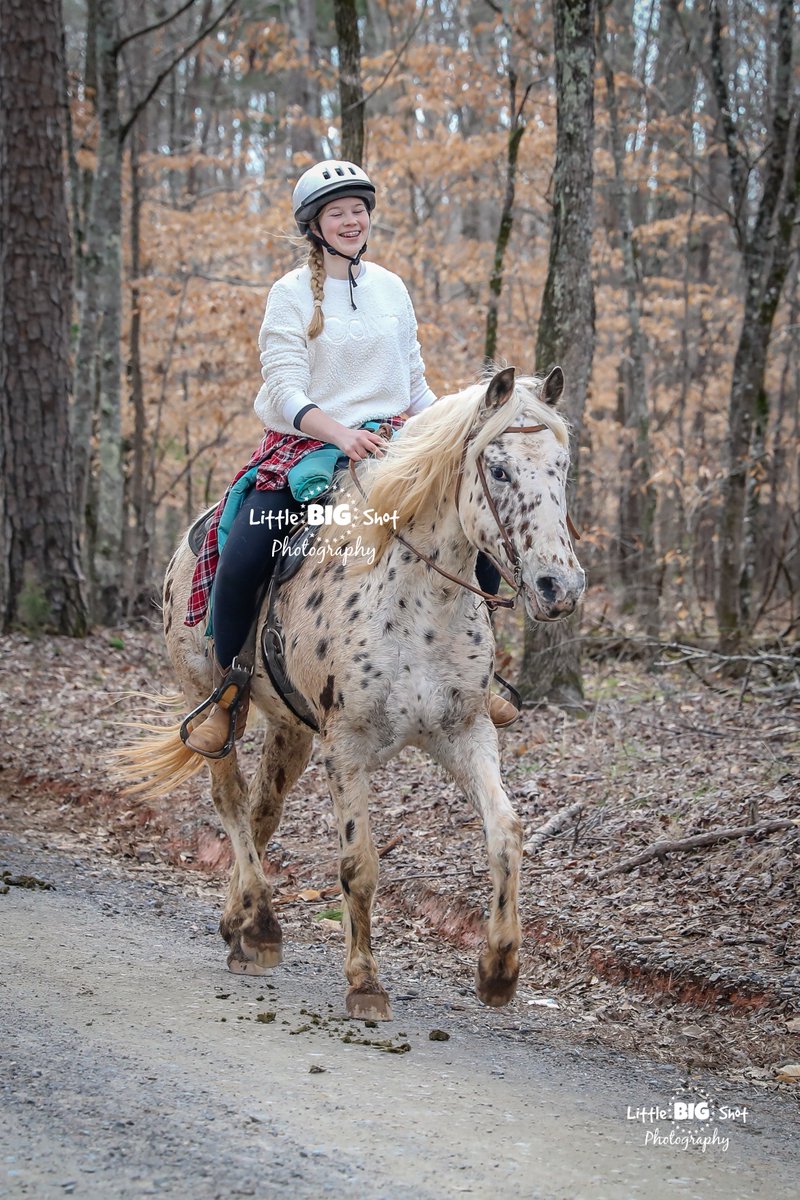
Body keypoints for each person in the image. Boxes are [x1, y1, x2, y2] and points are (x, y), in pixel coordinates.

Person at [182, 159, 516, 758]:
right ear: (314, 225)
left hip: (394, 442)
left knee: (475, 527)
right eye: (337, 212)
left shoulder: (391, 287)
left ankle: (476, 673)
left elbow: (413, 384)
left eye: (358, 209)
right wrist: (339, 434)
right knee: (246, 552)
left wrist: (456, 430)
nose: (351, 220)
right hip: (308, 445)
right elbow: (285, 389)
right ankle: (228, 693)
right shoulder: (289, 294)